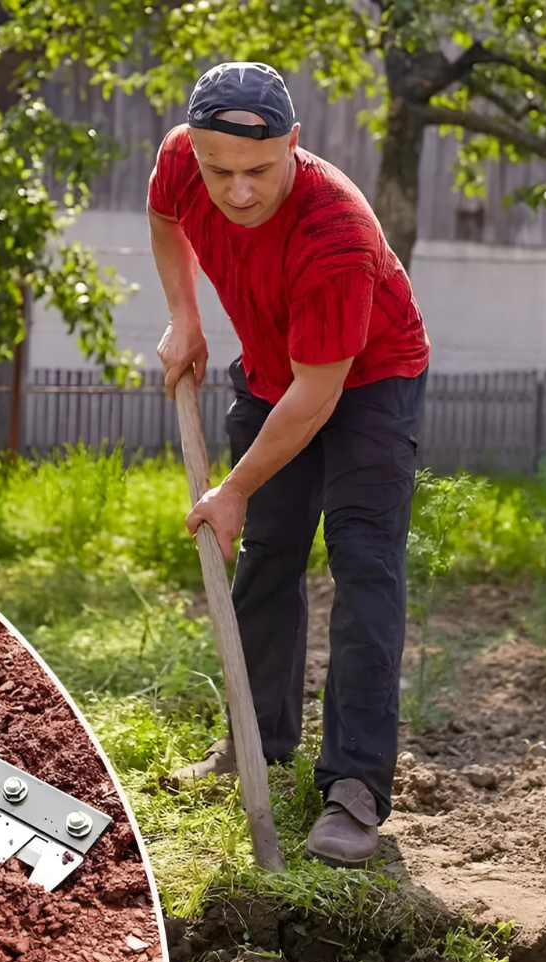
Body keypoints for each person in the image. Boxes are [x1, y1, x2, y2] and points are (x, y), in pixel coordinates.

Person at [147, 61, 430, 868]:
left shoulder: (334, 231)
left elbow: (320, 394)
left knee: (363, 563)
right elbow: (165, 217)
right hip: (276, 371)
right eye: (219, 170)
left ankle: (355, 790)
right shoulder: (182, 158)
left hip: (369, 381)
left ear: (294, 146)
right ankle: (256, 741)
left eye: (259, 170)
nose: (237, 191)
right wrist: (184, 318)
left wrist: (233, 488)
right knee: (269, 553)